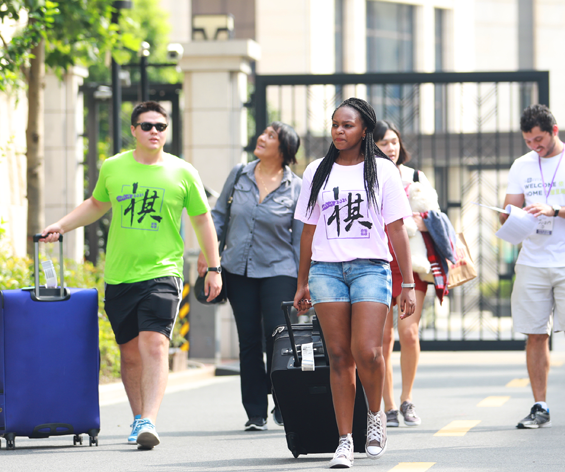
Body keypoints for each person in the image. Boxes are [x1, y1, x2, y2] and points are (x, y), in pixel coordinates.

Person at [40, 101, 221, 450]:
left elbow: (202, 220)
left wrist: (213, 267)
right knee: (129, 353)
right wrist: (61, 226)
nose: (155, 131)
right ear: (134, 130)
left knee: (154, 343)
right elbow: (96, 204)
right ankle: (139, 418)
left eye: (161, 126)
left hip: (163, 271)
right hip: (120, 275)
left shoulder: (183, 172)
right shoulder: (114, 167)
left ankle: (150, 419)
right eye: (147, 125)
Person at [293, 98, 416, 468]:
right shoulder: (317, 170)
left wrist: (407, 283)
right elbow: (307, 231)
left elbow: (396, 228)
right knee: (339, 357)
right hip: (326, 270)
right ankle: (345, 440)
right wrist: (302, 283)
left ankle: (375, 416)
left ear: (365, 130)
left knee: (368, 352)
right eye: (335, 125)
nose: (339, 131)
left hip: (370, 269)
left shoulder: (383, 170)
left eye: (347, 125)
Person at [500, 104, 565, 430]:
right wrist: (508, 217)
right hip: (532, 259)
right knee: (535, 334)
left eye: (539, 140)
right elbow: (509, 209)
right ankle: (540, 406)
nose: (535, 147)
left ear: (554, 130)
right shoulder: (521, 166)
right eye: (529, 142)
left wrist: (555, 209)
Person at [200, 122, 304, 431]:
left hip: (280, 270)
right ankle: (255, 412)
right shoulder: (239, 174)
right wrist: (209, 256)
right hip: (238, 268)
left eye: (271, 136)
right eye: (264, 133)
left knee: (278, 337)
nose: (262, 138)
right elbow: (218, 216)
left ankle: (284, 401)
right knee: (248, 341)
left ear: (284, 149)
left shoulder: (296, 187)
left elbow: (299, 239)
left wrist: (304, 282)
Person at [374, 120, 432, 428]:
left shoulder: (415, 177)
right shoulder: (367, 177)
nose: (391, 148)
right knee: (383, 338)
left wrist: (414, 219)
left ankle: (407, 400)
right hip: (380, 263)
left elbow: (432, 217)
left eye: (394, 142)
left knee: (408, 333)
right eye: (384, 143)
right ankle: (389, 407)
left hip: (412, 264)